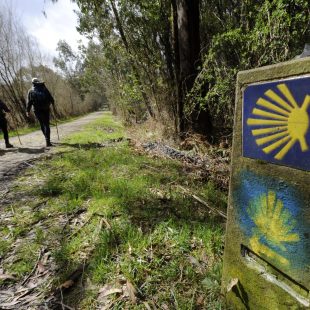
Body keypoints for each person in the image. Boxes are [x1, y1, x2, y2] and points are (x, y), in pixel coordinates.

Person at [27, 78, 55, 147]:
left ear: (32, 83)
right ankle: (48, 141)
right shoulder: (44, 88)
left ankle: (46, 138)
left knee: (42, 124)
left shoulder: (30, 91)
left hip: (37, 110)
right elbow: (51, 98)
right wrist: (53, 105)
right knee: (46, 124)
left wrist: (27, 111)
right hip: (46, 109)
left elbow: (29, 102)